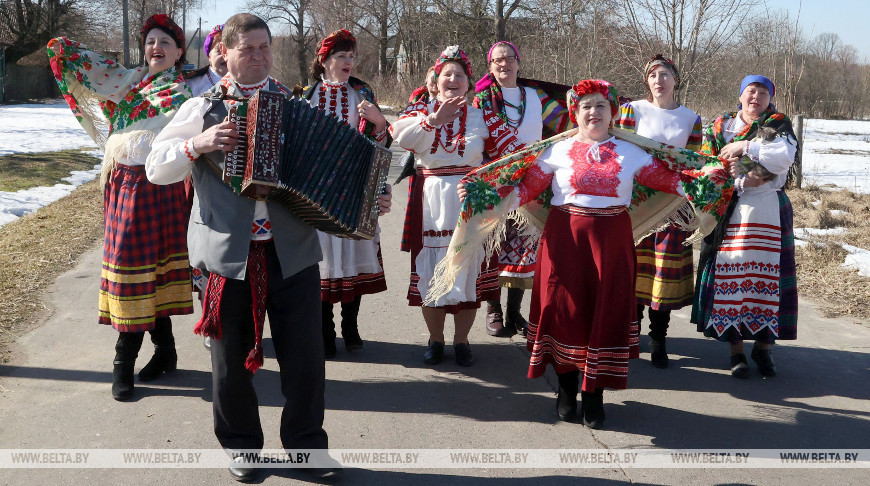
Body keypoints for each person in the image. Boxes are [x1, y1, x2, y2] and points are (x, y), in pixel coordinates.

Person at [147, 13, 379, 481]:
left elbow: (336, 167)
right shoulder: (202, 108)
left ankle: (307, 448)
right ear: (226, 54)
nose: (258, 55)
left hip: (291, 251)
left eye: (264, 47)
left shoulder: (295, 105)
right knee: (230, 363)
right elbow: (156, 167)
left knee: (306, 359)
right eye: (247, 48)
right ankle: (242, 449)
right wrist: (197, 143)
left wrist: (368, 195)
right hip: (226, 256)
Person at [47, 14, 194, 401]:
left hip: (156, 190)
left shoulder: (183, 97)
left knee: (138, 271)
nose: (155, 48)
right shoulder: (128, 82)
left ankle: (122, 363)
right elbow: (81, 62)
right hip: (121, 188)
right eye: (150, 42)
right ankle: (166, 351)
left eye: (165, 42)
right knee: (146, 272)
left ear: (179, 52)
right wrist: (59, 48)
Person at [390, 45, 524, 367]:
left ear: (468, 83)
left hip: (471, 205)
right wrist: (434, 120)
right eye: (446, 74)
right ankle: (435, 340)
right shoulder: (419, 112)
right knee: (431, 275)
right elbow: (401, 138)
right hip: (430, 203)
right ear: (435, 81)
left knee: (468, 277)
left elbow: (513, 156)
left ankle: (461, 341)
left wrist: (487, 186)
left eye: (460, 75)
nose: (453, 79)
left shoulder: (483, 116)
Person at [690, 75, 798, 379]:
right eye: (751, 91)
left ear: (770, 98)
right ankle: (735, 349)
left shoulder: (777, 123)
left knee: (769, 278)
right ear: (740, 95)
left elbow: (782, 158)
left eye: (763, 92)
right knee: (731, 279)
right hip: (731, 208)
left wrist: (743, 146)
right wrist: (737, 180)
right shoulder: (720, 125)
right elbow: (707, 165)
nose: (756, 97)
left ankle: (764, 347)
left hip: (769, 209)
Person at [297, 29, 392, 359]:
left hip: (354, 190)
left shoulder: (362, 94)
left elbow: (380, 148)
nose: (348, 62)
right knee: (321, 262)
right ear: (324, 61)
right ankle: (324, 331)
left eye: (351, 57)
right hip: (317, 192)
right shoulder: (306, 97)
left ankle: (350, 327)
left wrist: (380, 123)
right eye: (341, 56)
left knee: (352, 256)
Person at [473, 40, 573, 338]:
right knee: (492, 243)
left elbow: (566, 121)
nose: (504, 64)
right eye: (497, 61)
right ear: (490, 68)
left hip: (530, 182)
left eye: (509, 59)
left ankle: (514, 312)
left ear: (519, 63)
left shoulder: (536, 96)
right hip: (494, 182)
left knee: (523, 247)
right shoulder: (482, 100)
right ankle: (494, 310)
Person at [614, 55, 703, 369]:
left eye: (664, 74)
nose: (658, 80)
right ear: (646, 82)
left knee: (663, 273)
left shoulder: (690, 118)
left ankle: (659, 338)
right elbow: (618, 149)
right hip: (636, 203)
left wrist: (691, 208)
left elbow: (694, 165)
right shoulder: (632, 110)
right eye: (652, 75)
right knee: (635, 270)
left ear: (675, 79)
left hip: (671, 205)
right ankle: (632, 334)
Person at [184, 23, 227, 352]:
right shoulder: (194, 83)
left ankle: (228, 317)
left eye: (229, 50)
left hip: (233, 176)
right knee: (202, 248)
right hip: (197, 171)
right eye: (218, 50)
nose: (223, 57)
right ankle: (209, 315)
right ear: (210, 52)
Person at [186, 24, 228, 97]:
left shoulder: (249, 84)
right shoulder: (191, 86)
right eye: (219, 51)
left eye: (229, 51)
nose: (225, 56)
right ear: (209, 57)